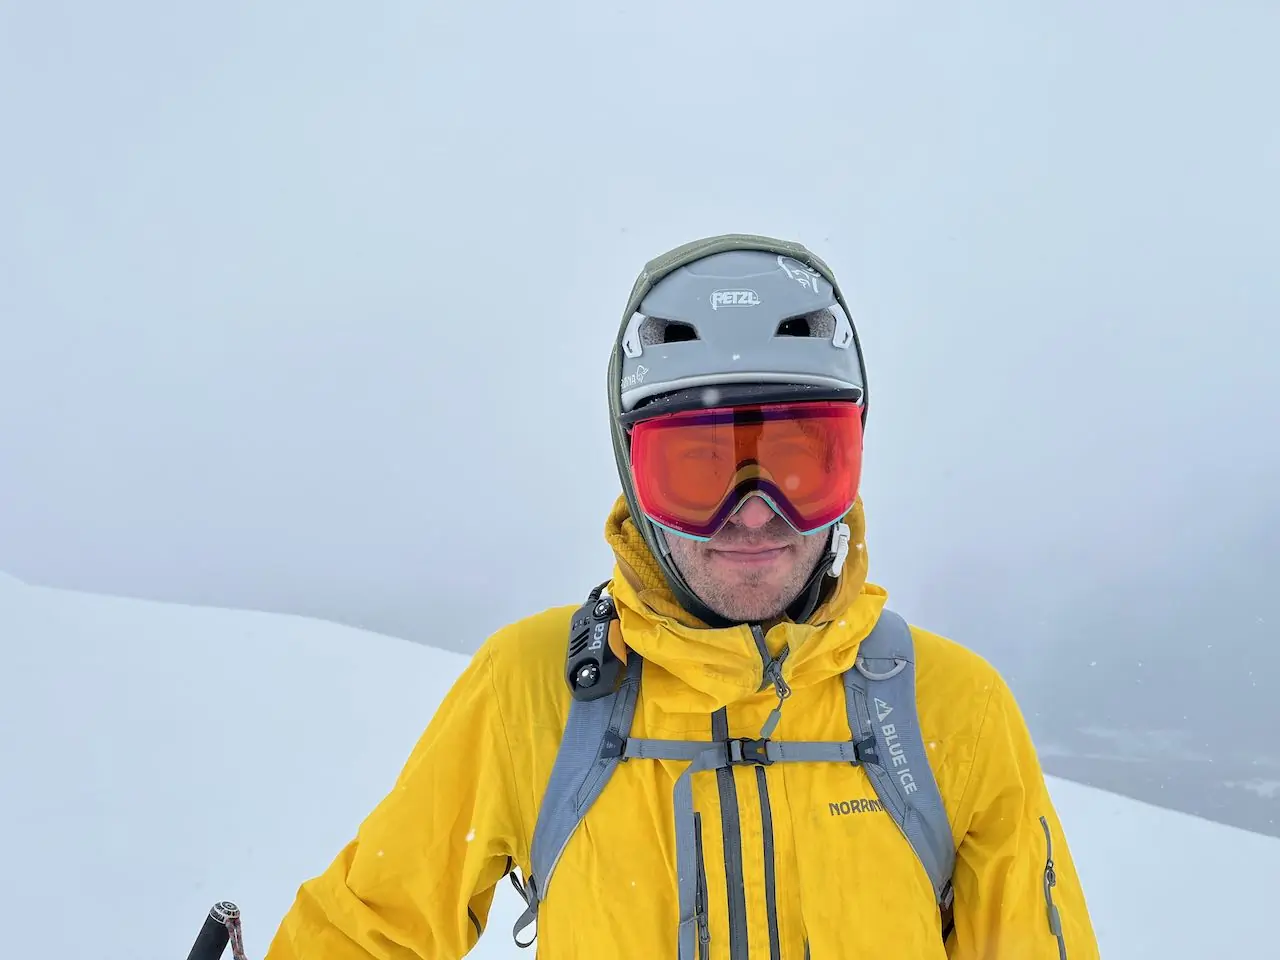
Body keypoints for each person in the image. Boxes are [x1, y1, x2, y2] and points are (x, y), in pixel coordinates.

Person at [265, 234, 1099, 959]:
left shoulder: (950, 711)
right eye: (698, 468)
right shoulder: (534, 694)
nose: (754, 514)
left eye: (798, 464)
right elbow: (368, 931)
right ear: (636, 479)